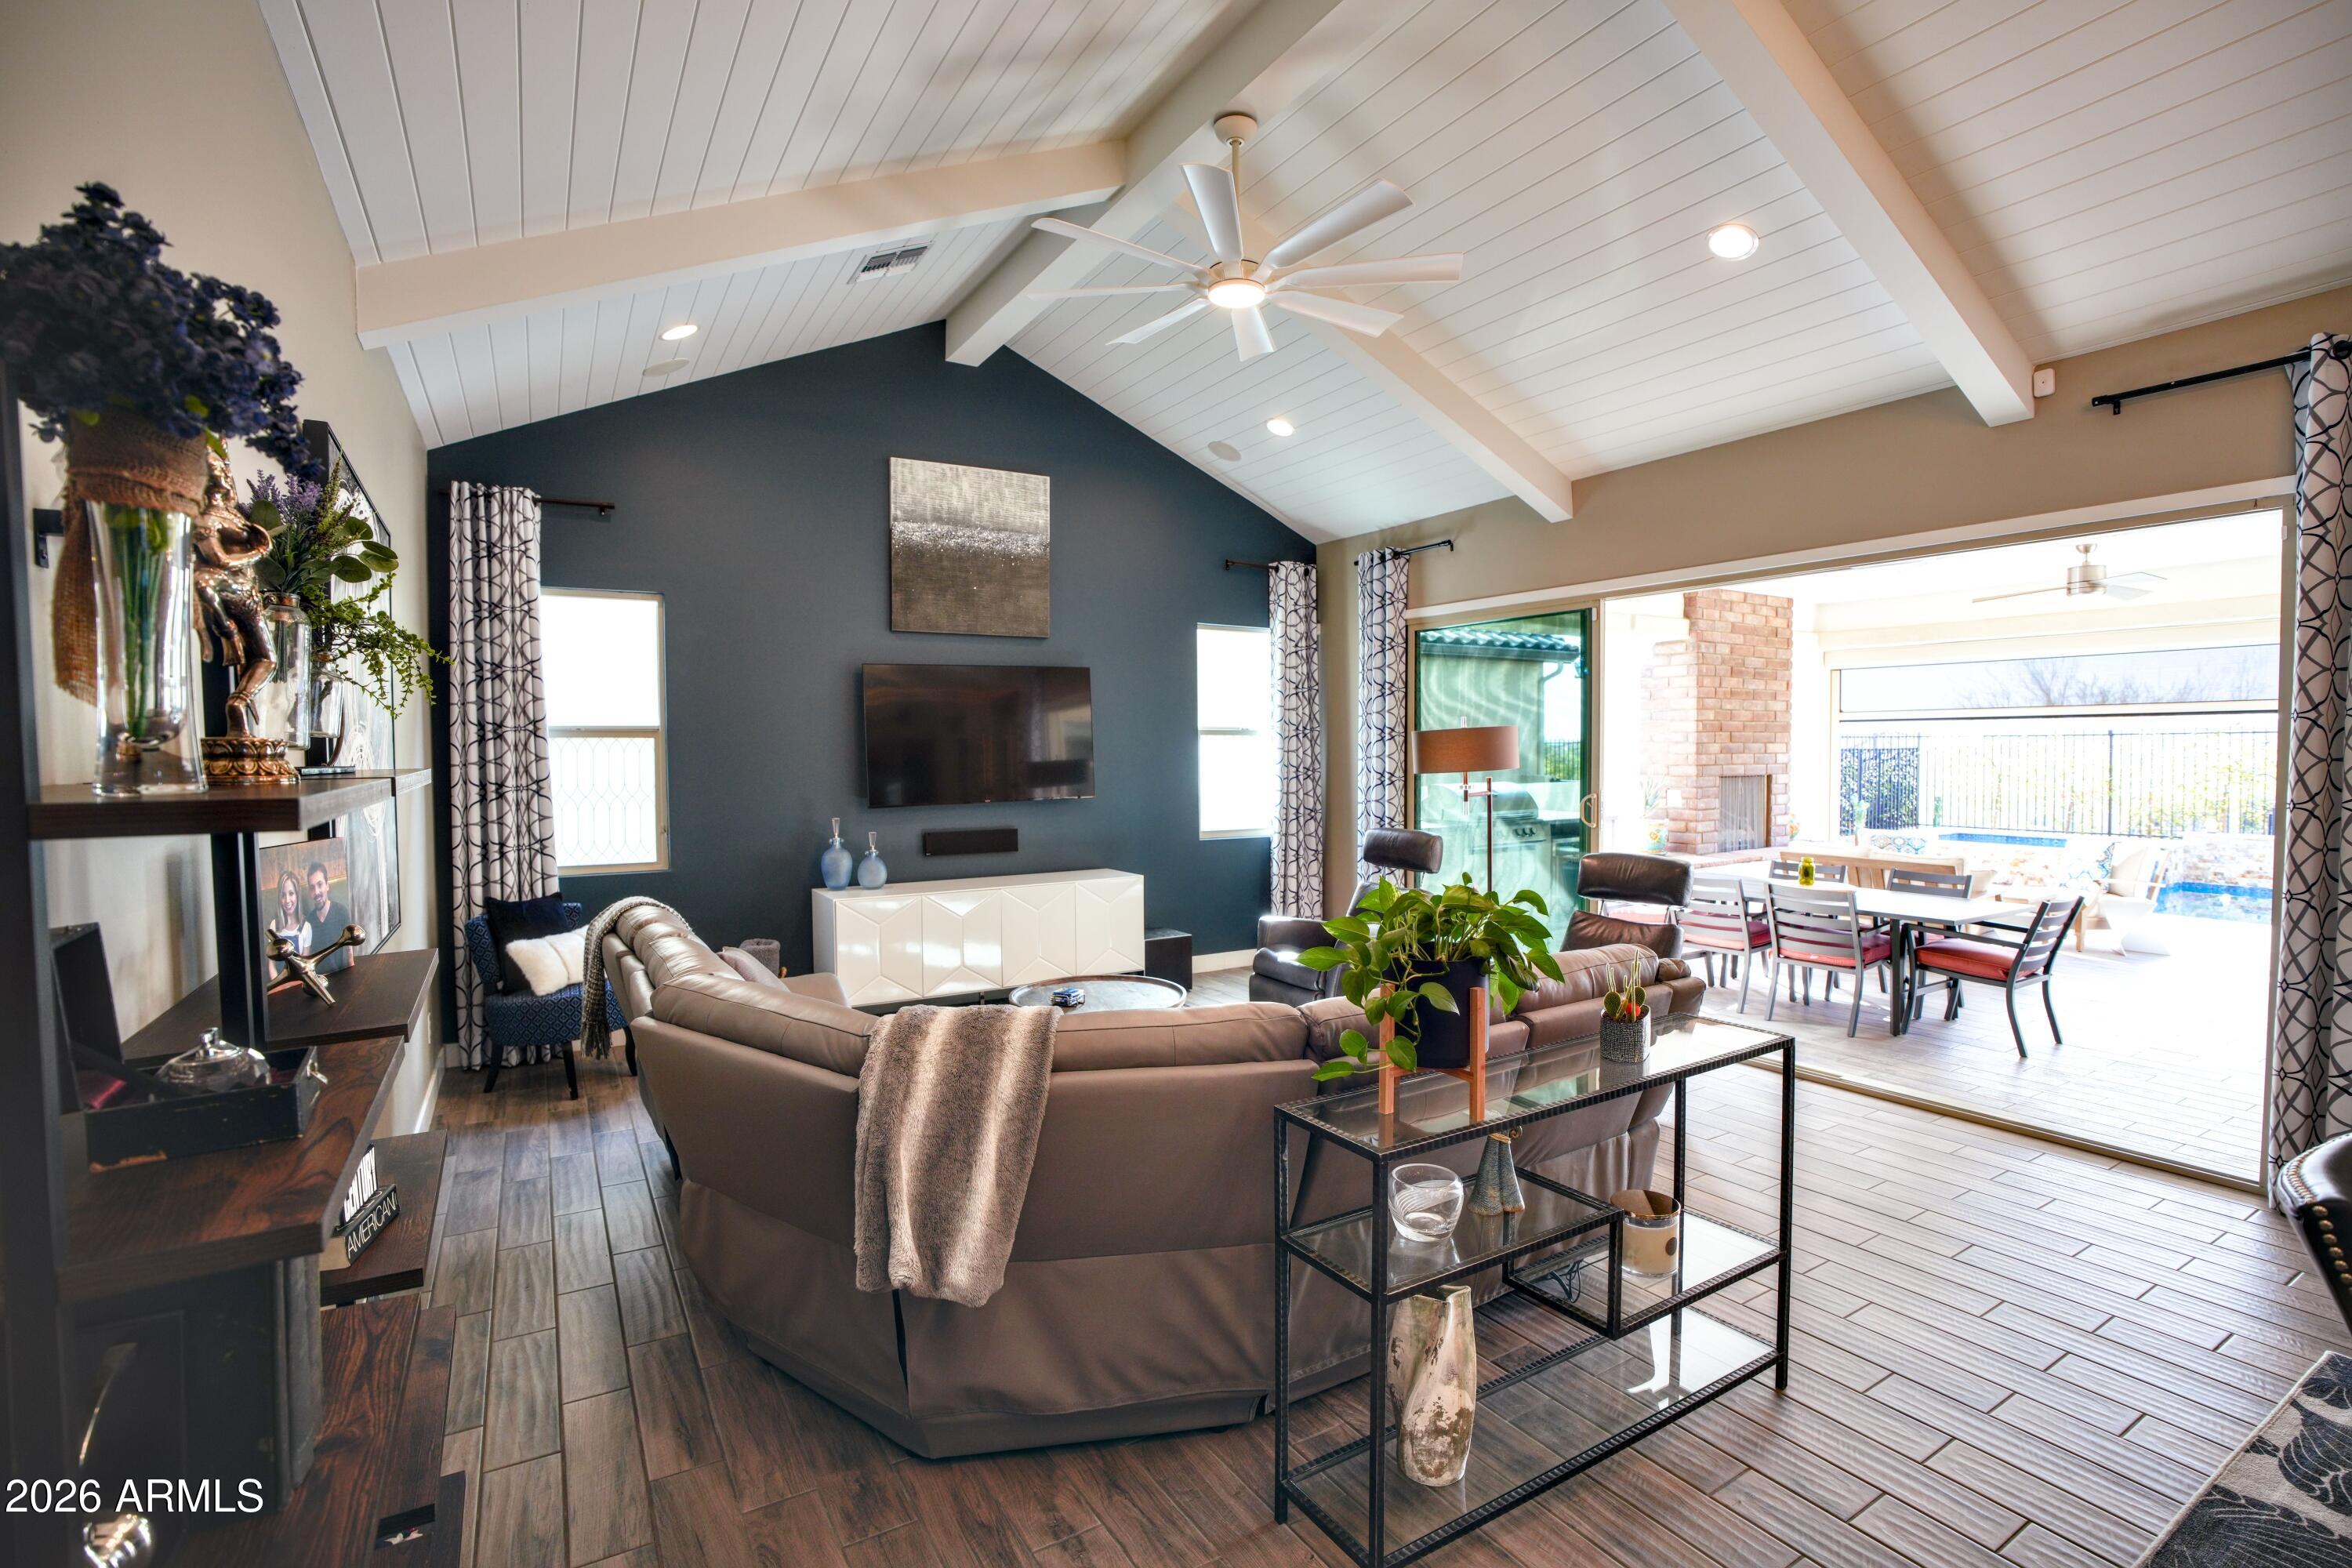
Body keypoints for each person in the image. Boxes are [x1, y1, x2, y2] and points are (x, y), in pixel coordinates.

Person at [307, 861, 356, 973]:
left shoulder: (342, 912)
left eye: (320, 885)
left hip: (342, 978)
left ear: (327, 885)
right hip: (320, 982)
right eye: (312, 887)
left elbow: (349, 952)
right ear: (310, 892)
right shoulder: (308, 922)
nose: (317, 892)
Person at [267, 869, 312, 978]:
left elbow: (305, 968)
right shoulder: (274, 926)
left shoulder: (306, 927)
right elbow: (271, 965)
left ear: (297, 895)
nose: (287, 900)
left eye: (291, 893)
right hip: (279, 985)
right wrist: (279, 988)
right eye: (283, 895)